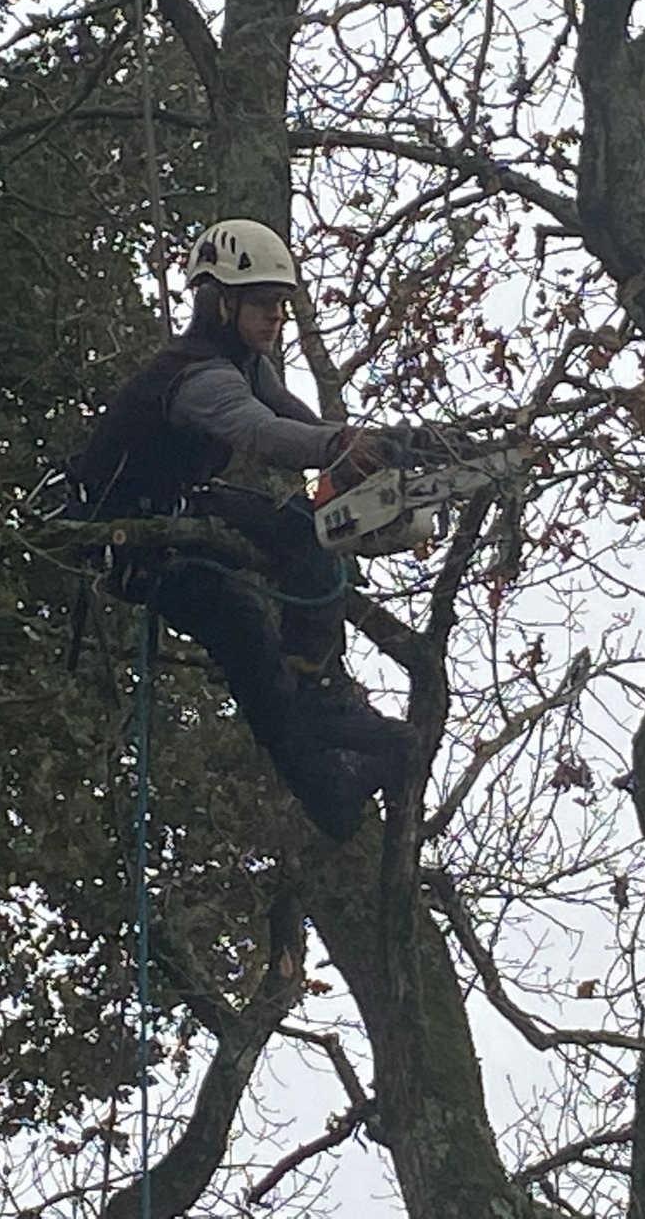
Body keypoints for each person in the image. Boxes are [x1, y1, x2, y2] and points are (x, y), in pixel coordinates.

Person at [74, 218, 415, 839]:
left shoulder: (246, 364)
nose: (274, 319)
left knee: (290, 547)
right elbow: (260, 433)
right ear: (220, 302)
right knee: (246, 627)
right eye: (262, 305)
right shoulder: (196, 375)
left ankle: (325, 755)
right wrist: (338, 443)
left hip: (175, 509)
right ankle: (319, 722)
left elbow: (292, 417)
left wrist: (362, 456)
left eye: (281, 307)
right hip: (128, 533)